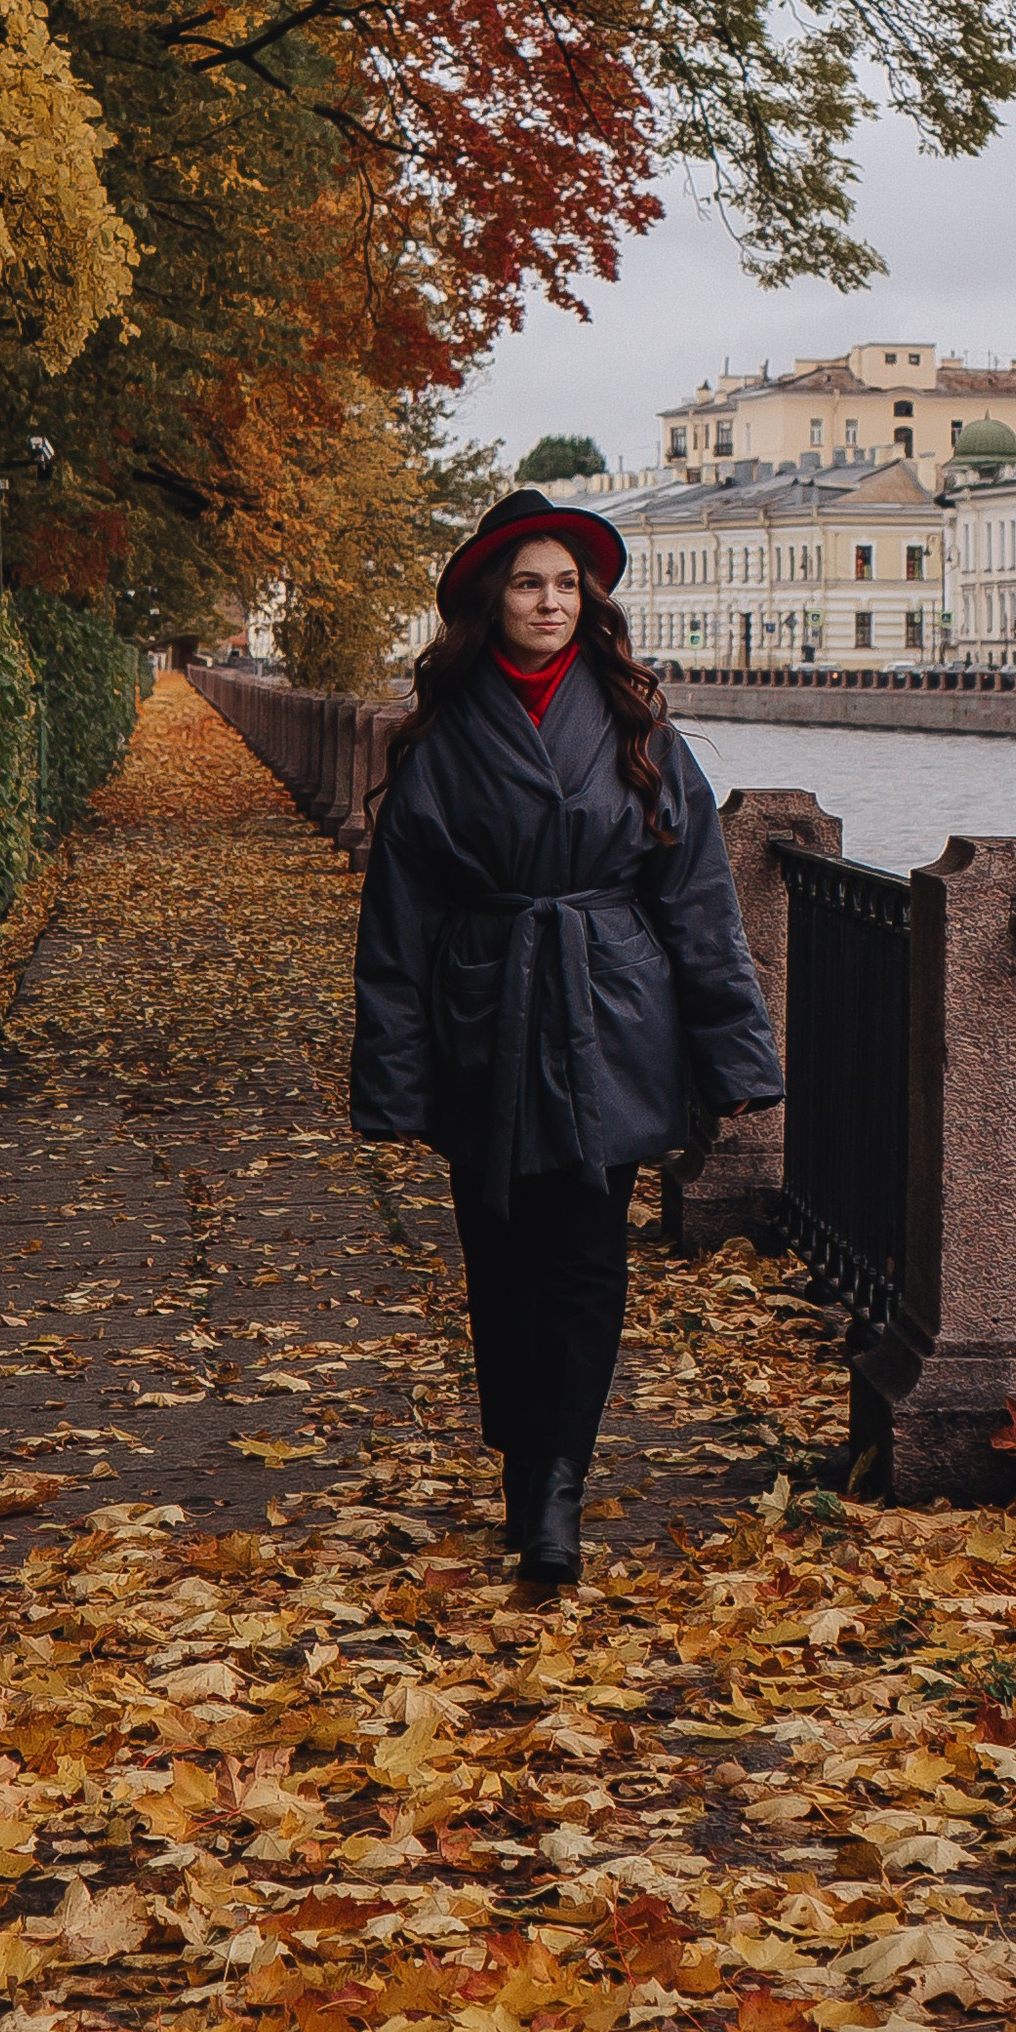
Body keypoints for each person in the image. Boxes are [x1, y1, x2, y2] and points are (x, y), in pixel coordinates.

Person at [349, 487, 785, 1591]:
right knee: (499, 1260)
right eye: (528, 582)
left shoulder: (637, 722)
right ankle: (521, 1458)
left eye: (565, 583)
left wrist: (734, 1054)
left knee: (586, 1262)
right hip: (484, 1012)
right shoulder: (444, 736)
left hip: (612, 1014)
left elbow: (697, 901)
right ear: (490, 601)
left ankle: (556, 1489)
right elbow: (398, 923)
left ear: (585, 599)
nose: (549, 601)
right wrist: (393, 1077)